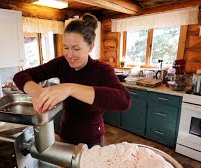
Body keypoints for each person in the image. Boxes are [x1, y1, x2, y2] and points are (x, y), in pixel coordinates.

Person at [13, 13, 131, 148]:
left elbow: (124, 100)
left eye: (76, 48)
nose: (69, 55)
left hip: (92, 141)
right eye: (65, 47)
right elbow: (20, 76)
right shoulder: (61, 64)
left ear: (90, 47)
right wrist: (38, 93)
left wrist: (70, 88)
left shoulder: (102, 70)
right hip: (65, 135)